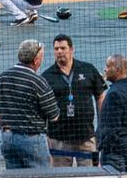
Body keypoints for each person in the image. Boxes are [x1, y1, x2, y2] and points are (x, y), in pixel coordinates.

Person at [0, 40, 58, 168]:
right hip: (32, 139)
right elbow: (54, 115)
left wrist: (7, 129)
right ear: (36, 60)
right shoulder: (39, 82)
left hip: (8, 138)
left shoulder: (2, 77)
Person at [42, 33, 103, 165]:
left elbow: (100, 96)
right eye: (56, 49)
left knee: (90, 176)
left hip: (85, 136)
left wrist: (101, 125)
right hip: (58, 138)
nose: (59, 52)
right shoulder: (47, 76)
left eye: (63, 48)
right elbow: (42, 106)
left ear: (71, 49)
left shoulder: (88, 69)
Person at [95, 54, 127, 171]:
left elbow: (111, 127)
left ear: (117, 70)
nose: (105, 69)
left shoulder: (114, 93)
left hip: (115, 151)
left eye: (108, 67)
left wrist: (101, 146)